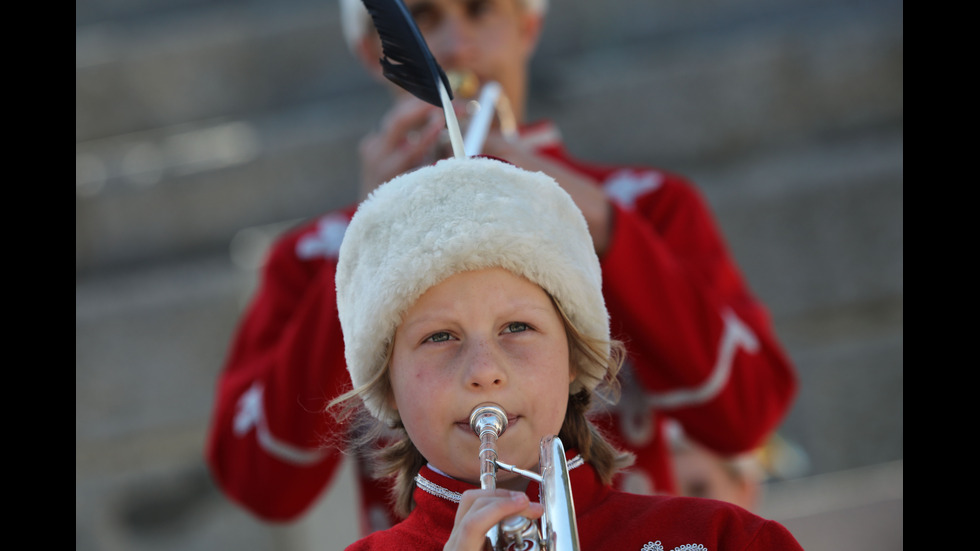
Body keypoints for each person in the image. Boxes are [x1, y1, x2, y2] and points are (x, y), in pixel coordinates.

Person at [204, 0, 798, 535]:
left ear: (529, 24)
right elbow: (262, 486)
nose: (457, 47)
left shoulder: (644, 204)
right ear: (374, 51)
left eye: (482, 10)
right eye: (425, 17)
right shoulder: (312, 254)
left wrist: (600, 224)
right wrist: (369, 245)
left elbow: (745, 416)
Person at [331, 155, 804, 550]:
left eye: (517, 327)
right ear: (386, 383)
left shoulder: (726, 539)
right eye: (439, 337)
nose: (484, 370)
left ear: (577, 358)